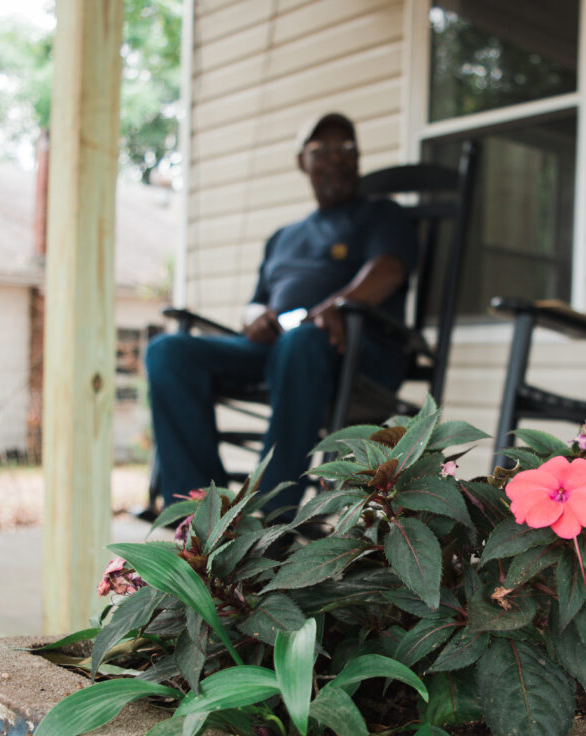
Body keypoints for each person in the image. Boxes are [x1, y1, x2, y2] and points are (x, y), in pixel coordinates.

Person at [145, 112, 418, 516]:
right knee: (168, 351)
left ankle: (272, 510)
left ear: (358, 158)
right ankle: (199, 515)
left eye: (346, 149)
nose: (336, 158)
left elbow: (388, 270)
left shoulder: (382, 214)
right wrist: (255, 318)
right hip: (279, 348)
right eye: (321, 150)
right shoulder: (283, 237)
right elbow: (256, 302)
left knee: (302, 340)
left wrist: (332, 309)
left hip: (352, 351)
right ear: (301, 162)